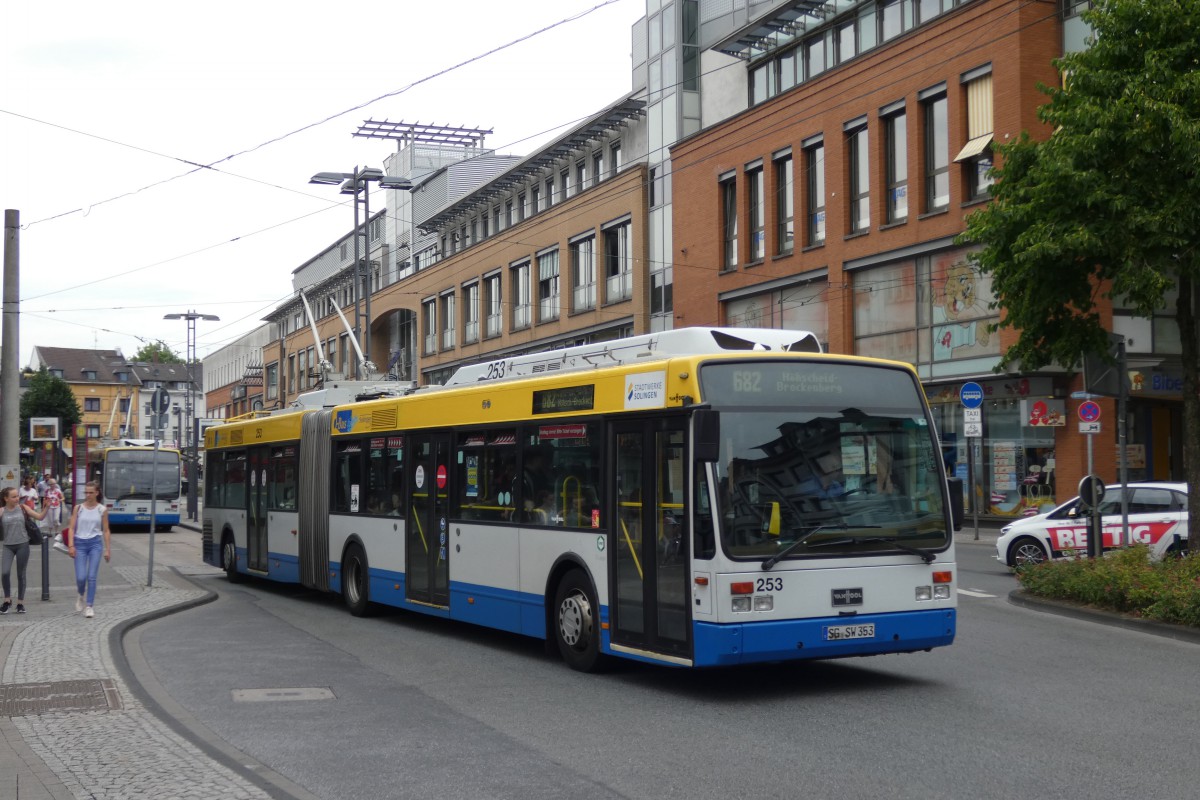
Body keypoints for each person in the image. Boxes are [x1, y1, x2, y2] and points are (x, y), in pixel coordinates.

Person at [64, 481, 112, 619]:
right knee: (81, 577)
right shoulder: (78, 508)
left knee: (91, 576)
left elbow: (106, 530)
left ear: (97, 493)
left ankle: (89, 605)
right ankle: (80, 594)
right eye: (86, 492)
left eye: (91, 492)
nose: (88, 495)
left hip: (95, 544)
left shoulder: (102, 510)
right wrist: (71, 546)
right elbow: (71, 528)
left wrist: (108, 549)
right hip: (80, 543)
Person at [2, 486, 48, 614]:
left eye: (17, 496)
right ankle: (7, 600)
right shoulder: (1, 511)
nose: (17, 498)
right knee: (5, 572)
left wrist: (47, 507)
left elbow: (40, 517)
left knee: (21, 574)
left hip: (23, 544)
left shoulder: (23, 508)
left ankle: (20, 603)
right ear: (6, 498)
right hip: (8, 545)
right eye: (14, 496)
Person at [44, 477, 66, 548]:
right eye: (52, 484)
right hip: (49, 506)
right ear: (49, 484)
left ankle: (56, 531)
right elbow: (45, 498)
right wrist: (44, 505)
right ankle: (50, 532)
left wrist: (59, 500)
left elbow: (63, 498)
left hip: (57, 506)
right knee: (50, 520)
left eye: (54, 484)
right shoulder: (47, 490)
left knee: (56, 519)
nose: (53, 485)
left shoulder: (58, 490)